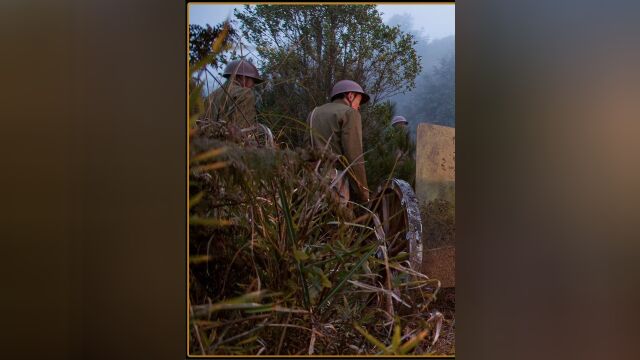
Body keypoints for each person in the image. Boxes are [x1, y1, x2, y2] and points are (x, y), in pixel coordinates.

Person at [307, 79, 371, 205]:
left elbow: (306, 147)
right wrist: (363, 193)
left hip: (310, 181)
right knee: (336, 223)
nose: (359, 106)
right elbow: (355, 158)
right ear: (350, 95)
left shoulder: (314, 113)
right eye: (359, 100)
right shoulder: (350, 113)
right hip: (335, 182)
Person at [198, 59, 263, 137]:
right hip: (230, 146)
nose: (253, 85)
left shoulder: (210, 96)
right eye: (253, 81)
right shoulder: (245, 93)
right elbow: (241, 133)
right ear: (241, 77)